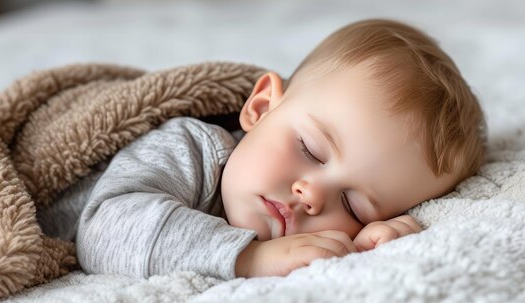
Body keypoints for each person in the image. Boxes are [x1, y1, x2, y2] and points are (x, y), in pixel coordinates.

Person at [37, 19, 486, 280]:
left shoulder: (325, 219)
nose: (311, 193)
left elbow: (335, 247)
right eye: (310, 149)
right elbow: (104, 231)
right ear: (261, 106)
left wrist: (374, 242)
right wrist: (249, 257)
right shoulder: (192, 147)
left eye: (354, 204)